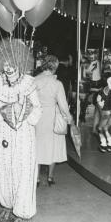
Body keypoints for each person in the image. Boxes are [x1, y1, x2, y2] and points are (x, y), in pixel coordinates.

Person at [0, 39, 42, 222]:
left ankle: (24, 217)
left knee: (23, 173)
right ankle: (8, 206)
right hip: (1, 136)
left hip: (23, 137)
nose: (8, 68)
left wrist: (23, 108)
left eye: (12, 63)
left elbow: (36, 115)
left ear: (21, 63)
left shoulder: (29, 84)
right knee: (3, 171)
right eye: (5, 64)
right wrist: (6, 110)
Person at [34, 55, 75, 186]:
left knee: (37, 146)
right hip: (52, 117)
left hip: (37, 117)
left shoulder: (34, 81)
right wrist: (70, 120)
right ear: (55, 67)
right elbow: (63, 105)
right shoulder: (57, 84)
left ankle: (36, 179)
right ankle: (50, 177)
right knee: (53, 146)